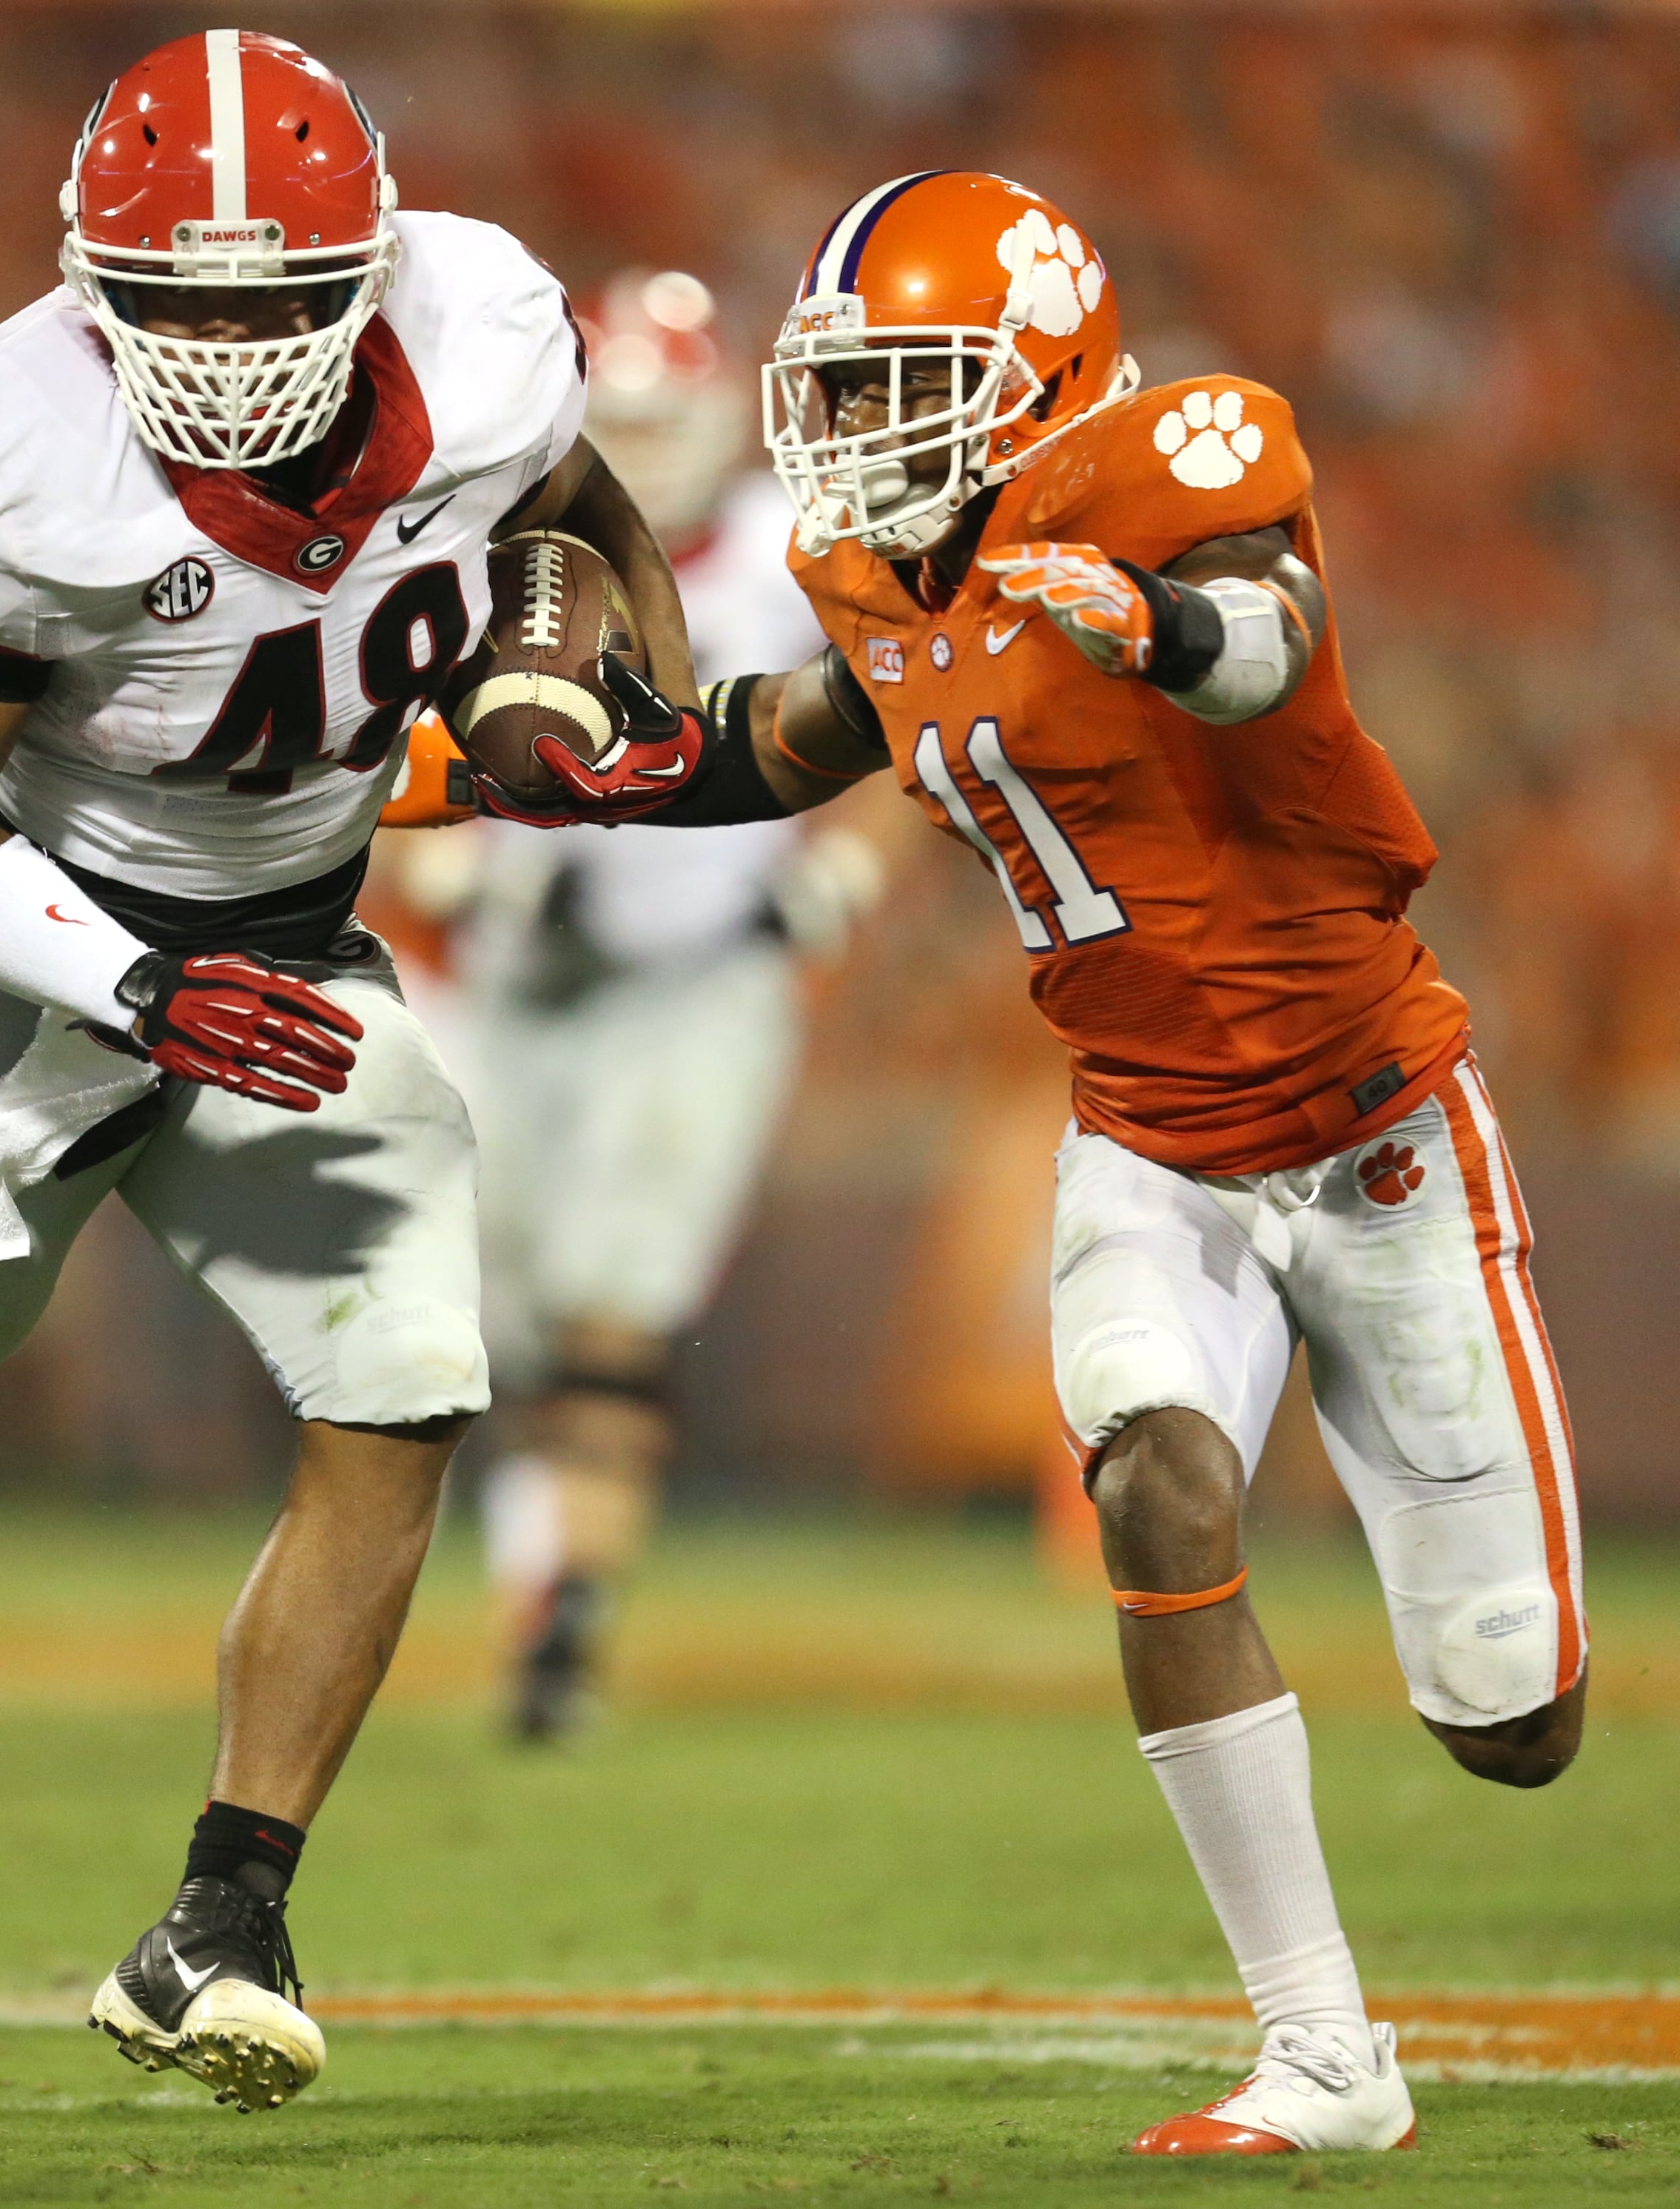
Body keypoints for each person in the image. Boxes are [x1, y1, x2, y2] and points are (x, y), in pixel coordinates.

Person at [0, 30, 691, 2115]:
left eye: (280, 293)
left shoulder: (492, 326)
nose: (233, 340)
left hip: (297, 958)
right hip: (22, 971)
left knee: (410, 1376)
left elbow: (568, 507)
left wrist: (594, 667)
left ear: (371, 265)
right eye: (178, 296)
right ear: (91, 278)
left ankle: (224, 1915)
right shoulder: (3, 453)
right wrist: (140, 984)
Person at [508, 169, 1578, 2158]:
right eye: (838, 391)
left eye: (902, 385)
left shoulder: (1190, 458)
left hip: (1380, 1141)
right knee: (1154, 1481)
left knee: (1517, 1720)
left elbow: (1266, 633)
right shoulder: (885, 578)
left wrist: (1161, 624)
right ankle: (1326, 2058)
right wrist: (623, 767)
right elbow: (827, 729)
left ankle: (1452, 1763)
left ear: (1040, 368)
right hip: (1149, 1142)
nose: (850, 435)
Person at [452, 271, 881, 1739]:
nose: (638, 445)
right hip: (524, 981)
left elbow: (913, 711)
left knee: (617, 1306)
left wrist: (839, 880)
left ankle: (571, 1616)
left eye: (660, 415)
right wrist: (450, 868)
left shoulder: (792, 551)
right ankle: (541, 1579)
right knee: (495, 1311)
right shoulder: (506, 546)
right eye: (614, 417)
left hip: (704, 979)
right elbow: (389, 731)